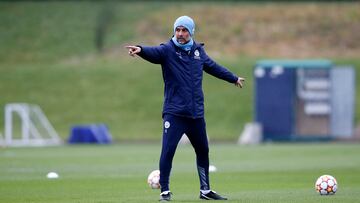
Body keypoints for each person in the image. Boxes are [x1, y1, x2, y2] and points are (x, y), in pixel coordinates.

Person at [125, 16, 245, 201]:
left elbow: (213, 67)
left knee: (203, 150)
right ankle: (165, 191)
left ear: (191, 32)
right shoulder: (167, 50)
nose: (180, 34)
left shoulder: (198, 52)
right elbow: (153, 52)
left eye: (184, 30)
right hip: (175, 113)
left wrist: (233, 78)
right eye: (178, 30)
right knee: (168, 151)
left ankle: (205, 190)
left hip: (196, 114)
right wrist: (140, 50)